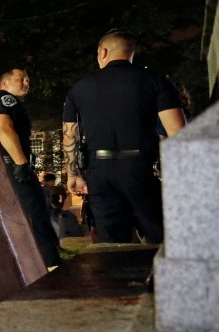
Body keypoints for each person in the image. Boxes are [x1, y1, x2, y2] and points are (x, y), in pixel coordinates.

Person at [62, 29, 186, 243]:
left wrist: (73, 174)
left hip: (99, 171)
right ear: (131, 52)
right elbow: (176, 131)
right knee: (161, 236)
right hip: (142, 168)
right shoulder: (155, 80)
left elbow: (69, 136)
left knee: (112, 242)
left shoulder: (79, 88)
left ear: (103, 52)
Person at [0, 68, 62, 268]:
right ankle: (51, 266)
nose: (26, 83)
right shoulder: (6, 100)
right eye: (21, 79)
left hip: (1, 169)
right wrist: (21, 163)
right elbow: (3, 128)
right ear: (5, 83)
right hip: (15, 169)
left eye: (27, 80)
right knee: (36, 216)